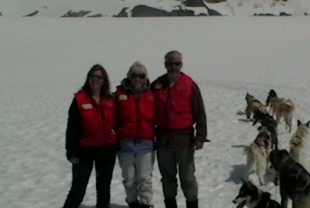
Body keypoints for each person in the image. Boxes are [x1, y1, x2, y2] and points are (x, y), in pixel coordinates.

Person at [150, 50, 209, 208]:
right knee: (167, 178)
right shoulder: (157, 85)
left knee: (188, 178)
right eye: (170, 63)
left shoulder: (189, 84)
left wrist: (201, 136)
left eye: (177, 64)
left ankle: (192, 204)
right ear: (165, 65)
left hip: (185, 140)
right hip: (163, 140)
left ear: (181, 65)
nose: (173, 67)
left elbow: (199, 111)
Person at [63, 64, 117, 208]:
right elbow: (72, 127)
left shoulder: (110, 99)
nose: (95, 80)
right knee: (78, 189)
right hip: (84, 152)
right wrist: (71, 151)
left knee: (103, 189)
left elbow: (118, 122)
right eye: (92, 76)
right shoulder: (80, 99)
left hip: (106, 150)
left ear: (104, 80)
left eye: (99, 77)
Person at [115, 61, 156, 208]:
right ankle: (132, 202)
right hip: (126, 143)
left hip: (145, 143)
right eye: (134, 75)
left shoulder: (151, 94)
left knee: (145, 178)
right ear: (129, 76)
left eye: (141, 76)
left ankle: (145, 204)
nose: (138, 79)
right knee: (129, 178)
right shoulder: (119, 94)